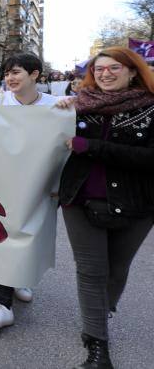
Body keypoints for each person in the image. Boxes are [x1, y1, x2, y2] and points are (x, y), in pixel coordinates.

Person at [55, 47, 154, 369]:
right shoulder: (77, 106)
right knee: (91, 272)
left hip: (137, 204)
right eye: (99, 70)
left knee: (117, 270)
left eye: (114, 68)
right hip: (79, 200)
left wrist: (92, 147)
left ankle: (102, 307)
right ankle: (98, 347)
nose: (105, 74)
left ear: (132, 72)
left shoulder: (151, 109)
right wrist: (55, 112)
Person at [0, 52, 60, 329]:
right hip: (0, 183)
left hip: (39, 185)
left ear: (35, 74)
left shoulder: (55, 105)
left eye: (16, 72)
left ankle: (22, 277)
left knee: (28, 234)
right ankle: (2, 303)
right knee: (0, 236)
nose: (10, 78)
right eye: (7, 73)